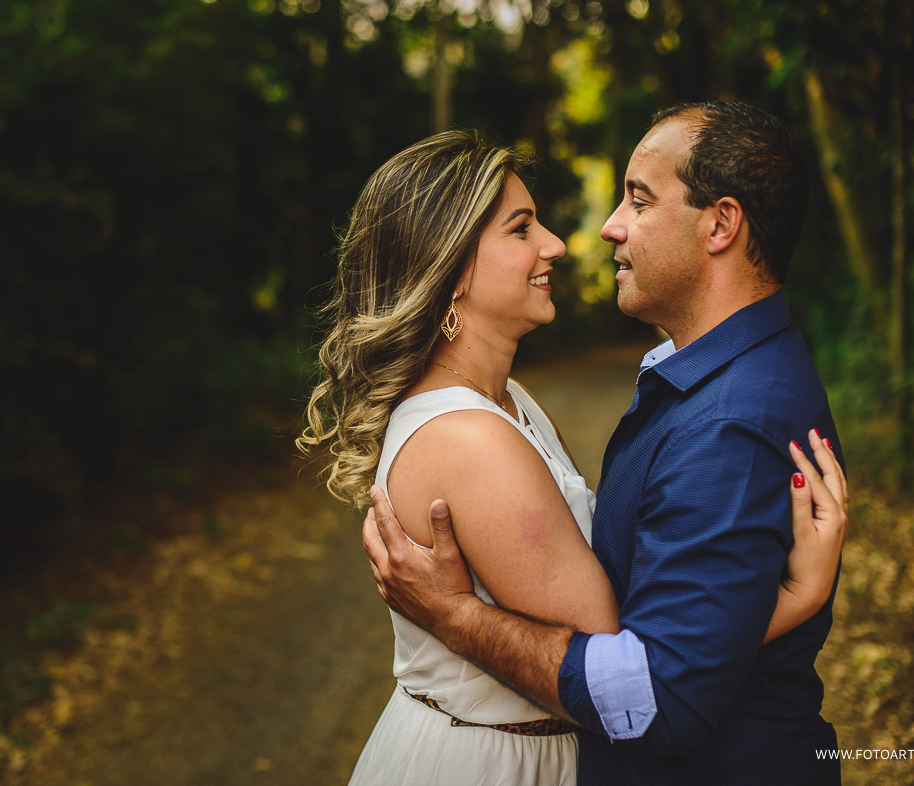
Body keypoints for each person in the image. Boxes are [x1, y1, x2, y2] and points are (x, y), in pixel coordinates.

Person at [300, 127, 845, 785]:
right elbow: (636, 664)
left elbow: (648, 665)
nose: (558, 243)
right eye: (521, 228)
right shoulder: (470, 439)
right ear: (452, 269)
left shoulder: (515, 403)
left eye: (637, 200)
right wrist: (791, 597)